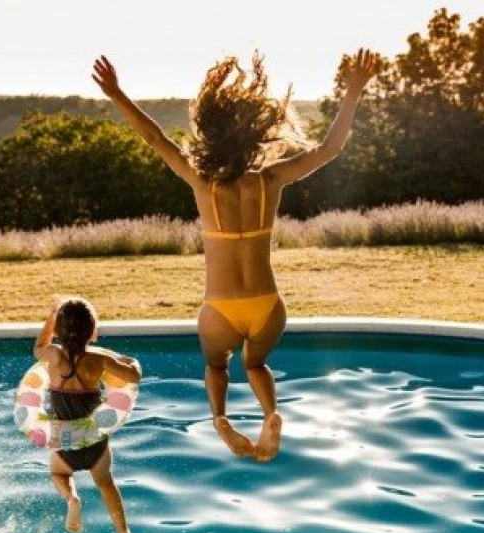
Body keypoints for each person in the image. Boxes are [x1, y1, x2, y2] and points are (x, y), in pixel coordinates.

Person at [92, 50, 380, 462]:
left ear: (212, 134)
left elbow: (156, 138)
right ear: (255, 137)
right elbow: (330, 148)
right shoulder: (271, 180)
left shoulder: (202, 181)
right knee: (256, 364)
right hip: (268, 307)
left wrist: (117, 94)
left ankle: (222, 418)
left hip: (221, 308)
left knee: (217, 365)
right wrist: (353, 91)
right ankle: (270, 414)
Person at [34, 297, 142, 533]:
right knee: (105, 483)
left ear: (58, 331)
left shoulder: (52, 356)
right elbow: (133, 377)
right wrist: (132, 362)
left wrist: (52, 316)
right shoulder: (100, 360)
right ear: (92, 331)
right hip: (94, 440)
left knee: (59, 473)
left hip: (64, 440)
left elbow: (39, 345)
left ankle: (72, 499)